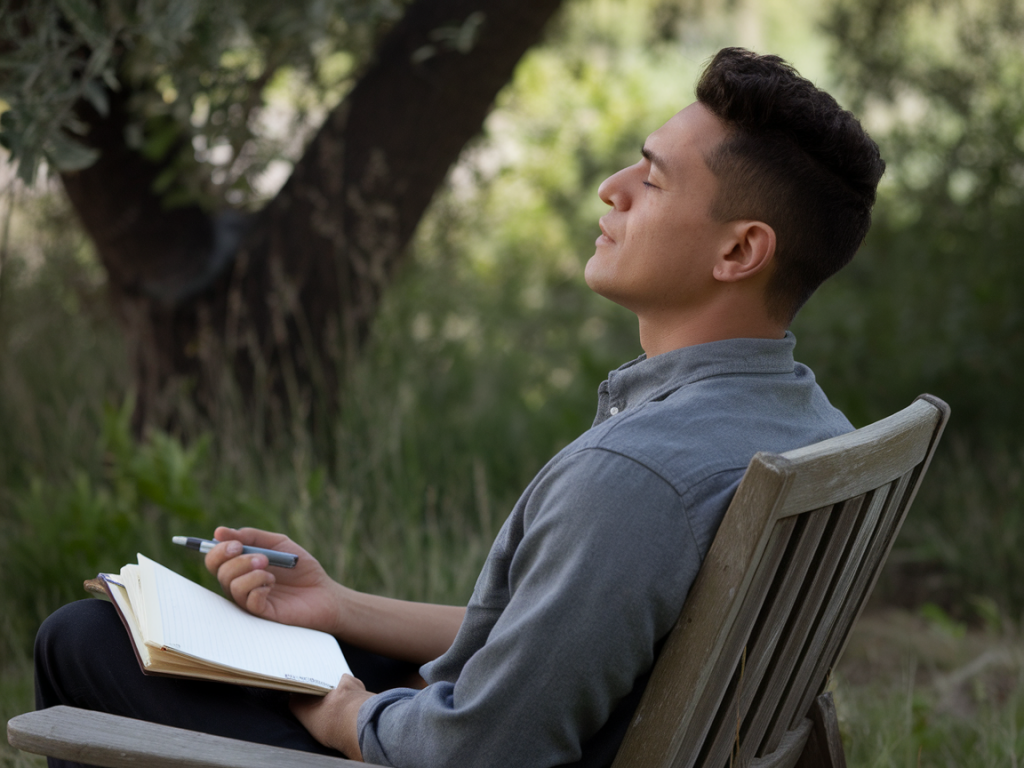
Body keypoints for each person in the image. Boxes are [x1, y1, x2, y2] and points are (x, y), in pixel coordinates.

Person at [34, 47, 885, 768]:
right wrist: (340, 610)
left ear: (740, 250)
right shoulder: (807, 424)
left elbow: (479, 749)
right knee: (111, 633)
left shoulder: (637, 478)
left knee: (81, 643)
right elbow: (576, 636)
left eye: (652, 181)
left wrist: (339, 709)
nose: (611, 189)